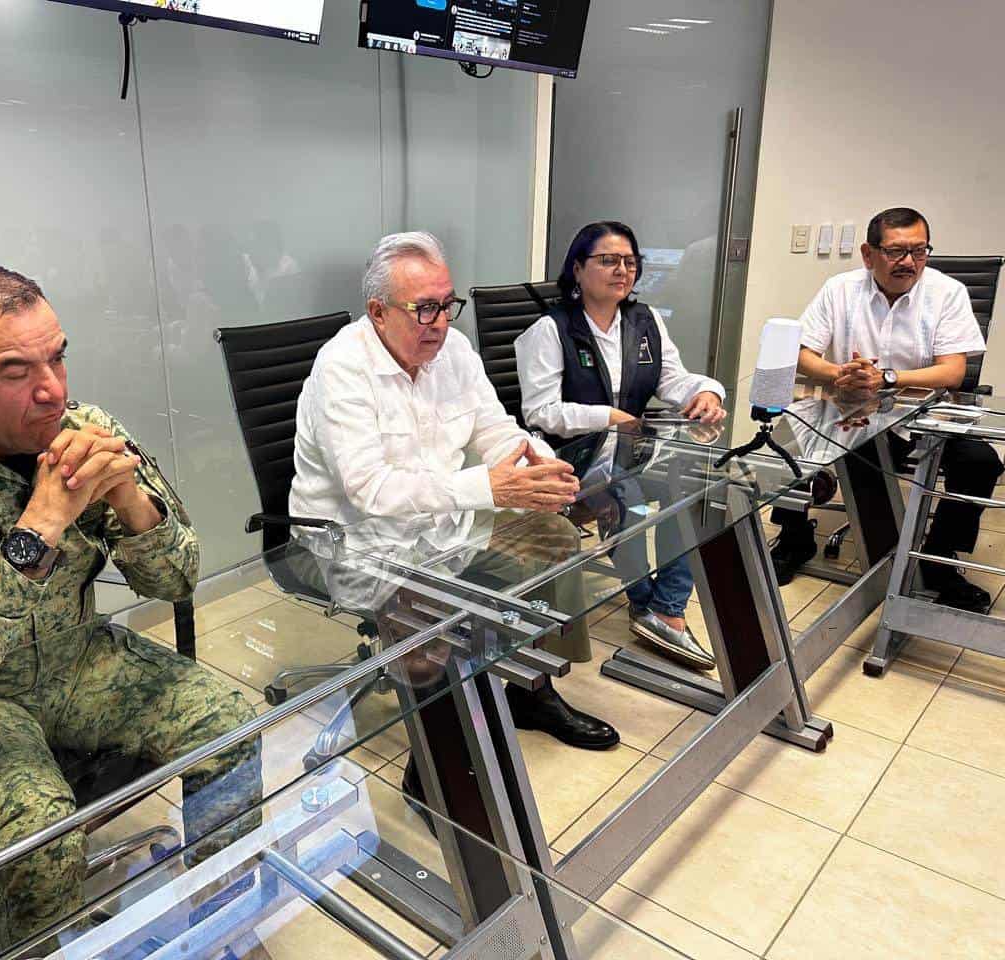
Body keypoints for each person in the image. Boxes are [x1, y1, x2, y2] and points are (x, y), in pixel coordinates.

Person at [0, 263, 261, 950]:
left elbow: (177, 580)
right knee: (41, 833)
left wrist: (129, 502)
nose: (52, 390)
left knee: (230, 724)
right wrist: (40, 527)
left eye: (58, 357)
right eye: (14, 371)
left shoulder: (85, 429)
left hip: (70, 659)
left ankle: (220, 915)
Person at [289, 231, 620, 752]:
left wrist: (540, 464)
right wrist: (486, 485)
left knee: (552, 540)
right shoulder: (341, 369)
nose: (441, 322)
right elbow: (369, 490)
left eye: (448, 305)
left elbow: (492, 428)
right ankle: (438, 768)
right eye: (425, 309)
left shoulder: (454, 350)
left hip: (442, 525)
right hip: (356, 541)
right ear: (378, 312)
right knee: (429, 612)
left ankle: (532, 689)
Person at [515, 221, 726, 670]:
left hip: (631, 450)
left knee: (692, 486)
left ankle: (666, 605)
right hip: (572, 458)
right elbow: (540, 411)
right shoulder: (550, 330)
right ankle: (646, 604)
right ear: (577, 268)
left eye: (630, 262)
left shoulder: (645, 322)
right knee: (625, 495)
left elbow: (674, 379)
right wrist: (607, 417)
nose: (622, 270)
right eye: (608, 260)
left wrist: (706, 393)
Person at [769, 207, 1002, 609]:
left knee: (980, 462)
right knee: (785, 439)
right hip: (852, 409)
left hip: (925, 414)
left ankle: (939, 560)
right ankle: (795, 538)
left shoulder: (947, 293)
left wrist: (889, 378)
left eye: (919, 251)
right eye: (896, 251)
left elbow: (953, 372)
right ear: (868, 253)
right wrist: (837, 373)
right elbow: (801, 353)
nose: (909, 262)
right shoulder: (840, 289)